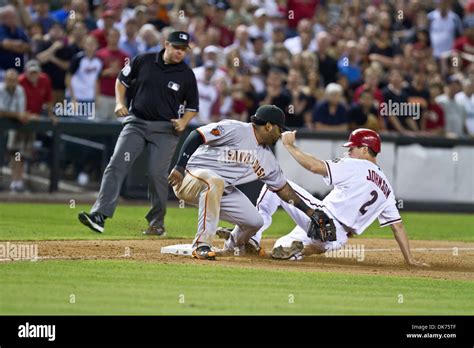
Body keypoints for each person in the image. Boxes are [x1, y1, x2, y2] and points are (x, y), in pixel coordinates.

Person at [242, 128, 428, 267]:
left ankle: (253, 236)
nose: (348, 152)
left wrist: (289, 145)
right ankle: (305, 249)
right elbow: (398, 227)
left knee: (276, 184)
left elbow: (315, 166)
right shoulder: (387, 189)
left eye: (352, 148)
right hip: (337, 238)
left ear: (365, 149)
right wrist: (409, 260)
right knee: (280, 247)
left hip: (321, 217)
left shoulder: (357, 165)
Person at [78, 31, 199, 236]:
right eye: (177, 47)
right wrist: (119, 102)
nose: (180, 52)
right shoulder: (143, 60)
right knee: (116, 164)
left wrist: (184, 121)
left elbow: (193, 106)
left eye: (183, 49)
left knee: (155, 173)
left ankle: (157, 223)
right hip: (136, 122)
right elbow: (121, 80)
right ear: (166, 44)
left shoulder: (186, 74)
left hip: (166, 129)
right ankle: (99, 215)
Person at [167, 105, 325, 260]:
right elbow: (197, 135)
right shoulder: (236, 129)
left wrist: (310, 212)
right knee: (214, 181)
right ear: (269, 126)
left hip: (220, 189)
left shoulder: (267, 159)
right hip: (189, 177)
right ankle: (201, 244)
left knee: (255, 222)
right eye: (279, 129)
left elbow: (282, 188)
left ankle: (234, 247)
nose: (280, 134)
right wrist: (180, 166)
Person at [0, 69, 38, 192]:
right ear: (5, 80)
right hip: (5, 126)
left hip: (13, 127)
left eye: (14, 80)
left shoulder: (19, 90)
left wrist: (21, 115)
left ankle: (16, 182)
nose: (11, 83)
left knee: (18, 154)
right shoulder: (0, 89)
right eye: (9, 80)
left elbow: (21, 112)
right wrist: (18, 115)